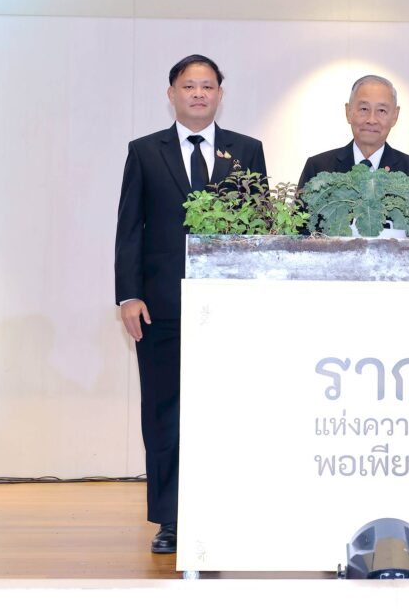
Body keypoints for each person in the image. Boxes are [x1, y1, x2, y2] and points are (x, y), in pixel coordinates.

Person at [114, 54, 267, 553]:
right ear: (172, 93)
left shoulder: (247, 150)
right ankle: (171, 520)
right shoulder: (144, 151)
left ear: (220, 93)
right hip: (161, 306)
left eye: (207, 86)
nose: (198, 94)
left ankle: (224, 510)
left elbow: (261, 227)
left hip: (229, 305)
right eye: (189, 86)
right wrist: (129, 295)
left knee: (226, 410)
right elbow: (129, 228)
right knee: (164, 413)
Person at [298, 75, 409, 237]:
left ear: (395, 115)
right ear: (348, 112)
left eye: (381, 111)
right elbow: (300, 232)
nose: (372, 120)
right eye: (364, 109)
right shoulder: (318, 168)